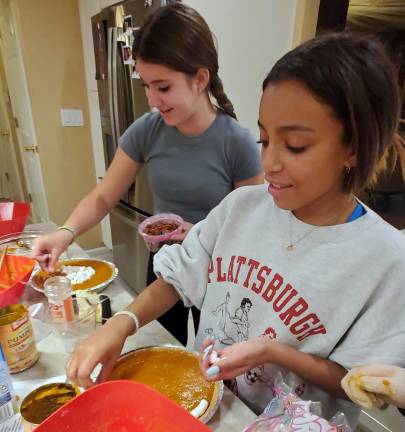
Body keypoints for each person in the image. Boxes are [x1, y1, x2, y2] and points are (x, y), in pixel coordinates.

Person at [66, 32, 405, 429]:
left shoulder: (385, 258)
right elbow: (178, 277)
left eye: (294, 145)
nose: (270, 163)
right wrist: (120, 324)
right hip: (206, 408)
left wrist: (273, 352)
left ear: (354, 148)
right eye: (264, 139)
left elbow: (355, 383)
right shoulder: (242, 207)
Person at [31, 3, 263, 346]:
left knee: (211, 356)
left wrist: (197, 232)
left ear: (200, 79)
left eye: (163, 87)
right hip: (164, 262)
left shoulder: (237, 142)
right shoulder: (148, 130)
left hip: (218, 270)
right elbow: (103, 196)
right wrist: (64, 233)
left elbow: (252, 229)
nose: (153, 99)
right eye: (146, 87)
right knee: (160, 344)